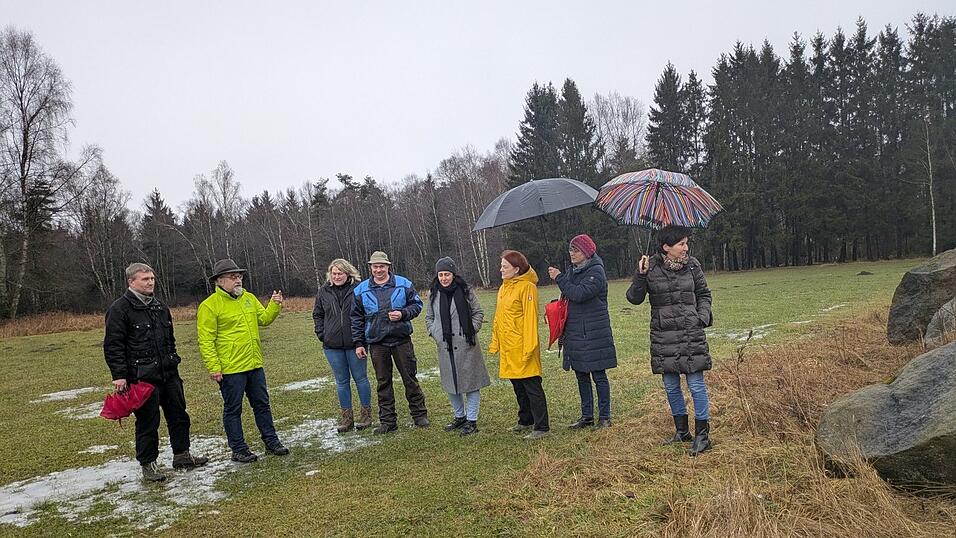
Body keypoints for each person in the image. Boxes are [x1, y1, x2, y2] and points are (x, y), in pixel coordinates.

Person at [104, 263, 209, 482]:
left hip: (169, 372)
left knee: (179, 415)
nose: (150, 282)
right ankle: (148, 464)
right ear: (131, 282)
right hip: (141, 376)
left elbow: (169, 339)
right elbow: (113, 344)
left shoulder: (159, 307)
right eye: (145, 279)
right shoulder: (120, 309)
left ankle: (182, 455)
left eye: (152, 278)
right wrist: (120, 375)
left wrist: (173, 360)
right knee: (148, 422)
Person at [626, 225, 714, 456]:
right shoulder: (651, 267)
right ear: (666, 247)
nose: (686, 248)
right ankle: (682, 431)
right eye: (681, 244)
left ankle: (703, 436)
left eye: (686, 243)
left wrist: (702, 317)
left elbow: (704, 294)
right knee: (671, 386)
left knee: (696, 385)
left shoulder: (693, 266)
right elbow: (634, 298)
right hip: (664, 336)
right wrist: (640, 274)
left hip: (690, 333)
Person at [197, 258, 290, 463]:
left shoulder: (248, 298)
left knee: (262, 405)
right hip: (230, 369)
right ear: (220, 281)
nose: (238, 280)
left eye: (239, 276)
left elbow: (264, 319)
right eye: (233, 277)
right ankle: (238, 449)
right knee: (233, 409)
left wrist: (274, 306)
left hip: (254, 364)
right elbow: (206, 340)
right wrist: (214, 367)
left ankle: (271, 442)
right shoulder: (209, 306)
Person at [351, 251, 429, 433]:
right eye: (375, 266)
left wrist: (403, 314)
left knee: (410, 378)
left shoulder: (404, 284)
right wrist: (359, 343)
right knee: (383, 382)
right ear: (370, 268)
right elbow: (356, 319)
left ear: (388, 266)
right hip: (377, 343)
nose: (378, 269)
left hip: (401, 339)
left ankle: (419, 415)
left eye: (381, 266)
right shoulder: (360, 290)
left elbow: (417, 305)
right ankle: (387, 421)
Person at [548, 234, 617, 430]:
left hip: (594, 331)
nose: (571, 254)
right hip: (576, 331)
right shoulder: (573, 270)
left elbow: (579, 294)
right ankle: (586, 416)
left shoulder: (596, 272)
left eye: (575, 250)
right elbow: (568, 294)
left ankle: (604, 417)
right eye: (570, 250)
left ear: (586, 252)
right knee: (581, 374)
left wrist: (559, 278)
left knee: (598, 375)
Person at [425, 257, 490, 436]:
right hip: (445, 346)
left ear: (453, 275)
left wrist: (471, 329)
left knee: (471, 383)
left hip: (466, 345)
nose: (444, 278)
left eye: (447, 274)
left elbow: (478, 312)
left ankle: (471, 420)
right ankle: (459, 416)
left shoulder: (466, 290)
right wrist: (435, 333)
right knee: (451, 383)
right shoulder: (433, 293)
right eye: (441, 274)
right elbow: (429, 317)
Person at [489, 250, 549, 440]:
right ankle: (525, 419)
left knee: (531, 385)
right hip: (509, 347)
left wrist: (529, 348)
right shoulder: (503, 288)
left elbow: (531, 321)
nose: (501, 270)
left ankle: (542, 426)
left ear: (516, 269)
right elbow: (499, 318)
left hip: (523, 346)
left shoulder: (527, 288)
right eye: (501, 266)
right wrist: (495, 342)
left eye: (505, 267)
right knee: (517, 385)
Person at [312, 258, 372, 433]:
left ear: (348, 273)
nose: (337, 276)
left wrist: (361, 338)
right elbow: (318, 314)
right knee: (341, 381)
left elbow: (365, 313)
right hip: (332, 346)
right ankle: (347, 418)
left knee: (361, 379)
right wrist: (322, 334)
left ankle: (366, 415)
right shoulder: (323, 291)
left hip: (356, 344)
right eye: (334, 273)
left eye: (340, 273)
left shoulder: (358, 289)